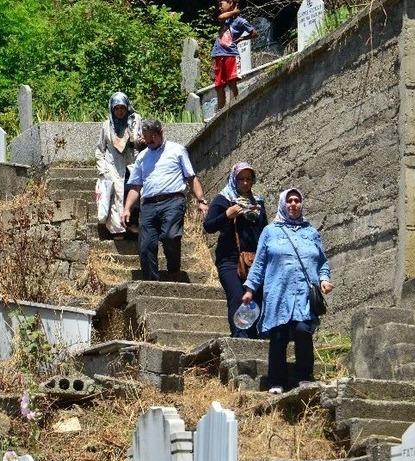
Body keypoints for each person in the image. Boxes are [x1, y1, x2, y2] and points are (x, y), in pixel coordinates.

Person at [241, 188, 333, 394]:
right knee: (279, 334)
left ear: (301, 204)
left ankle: (304, 376)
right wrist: (249, 288)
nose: (293, 204)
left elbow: (322, 263)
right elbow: (259, 264)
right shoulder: (271, 231)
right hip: (278, 292)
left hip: (303, 292)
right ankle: (276, 381)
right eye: (289, 201)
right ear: (283, 204)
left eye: (297, 201)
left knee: (302, 330)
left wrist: (325, 279)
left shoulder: (311, 232)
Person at [121, 119, 209, 281]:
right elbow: (135, 187)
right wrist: (127, 208)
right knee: (146, 245)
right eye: (147, 137)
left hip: (173, 201)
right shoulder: (142, 157)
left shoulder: (177, 150)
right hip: (148, 205)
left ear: (161, 133)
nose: (150, 140)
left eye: (153, 136)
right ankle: (151, 283)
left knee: (170, 236)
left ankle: (173, 270)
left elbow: (191, 178)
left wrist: (201, 200)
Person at [203, 162, 267, 338]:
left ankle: (253, 338)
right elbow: (208, 226)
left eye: (248, 179)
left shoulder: (258, 202)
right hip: (229, 259)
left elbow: (264, 231)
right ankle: (239, 338)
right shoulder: (224, 199)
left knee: (255, 299)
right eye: (241, 179)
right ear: (234, 179)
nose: (245, 183)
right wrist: (226, 215)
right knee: (237, 296)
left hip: (253, 260)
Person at [95, 92, 143, 238]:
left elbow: (141, 140)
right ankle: (117, 230)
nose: (120, 111)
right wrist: (102, 169)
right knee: (116, 196)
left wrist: (139, 142)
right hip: (112, 165)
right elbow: (99, 149)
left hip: (131, 163)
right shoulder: (106, 126)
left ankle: (133, 224)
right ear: (112, 109)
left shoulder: (135, 121)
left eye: (122, 108)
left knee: (133, 192)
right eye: (117, 109)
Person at [212, 0, 256, 111]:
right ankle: (220, 112)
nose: (219, 7)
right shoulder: (225, 19)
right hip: (218, 54)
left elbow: (254, 33)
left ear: (230, 3)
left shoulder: (240, 21)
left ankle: (233, 109)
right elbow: (221, 17)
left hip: (230, 54)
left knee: (232, 82)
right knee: (219, 85)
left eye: (221, 4)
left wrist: (242, 38)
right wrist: (235, 11)